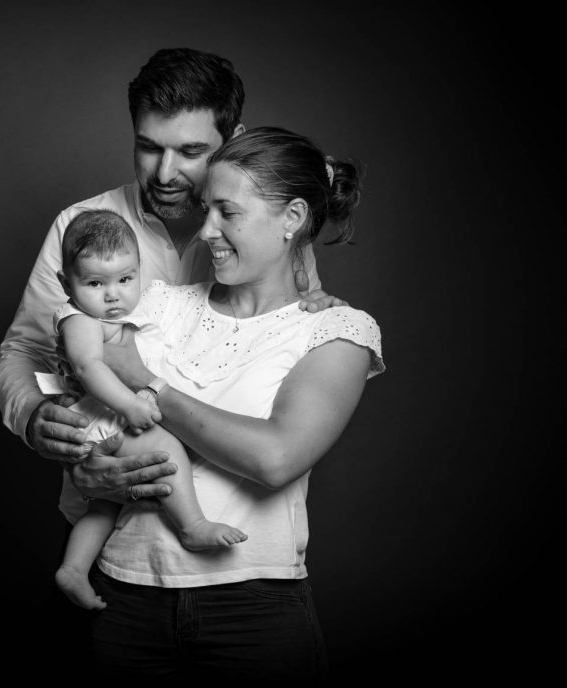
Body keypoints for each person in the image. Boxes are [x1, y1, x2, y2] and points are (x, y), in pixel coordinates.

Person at [0, 48, 344, 528]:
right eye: (149, 147)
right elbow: (26, 347)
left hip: (233, 525)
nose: (164, 173)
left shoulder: (267, 238)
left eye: (190, 152)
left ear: (233, 140)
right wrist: (35, 418)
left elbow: (292, 364)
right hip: (104, 521)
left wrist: (321, 310)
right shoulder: (78, 226)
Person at [83, 126, 385, 678]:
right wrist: (90, 465)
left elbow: (276, 458)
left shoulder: (337, 331)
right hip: (122, 596)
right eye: (205, 210)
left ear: (292, 219)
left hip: (253, 609)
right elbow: (98, 416)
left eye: (227, 212)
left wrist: (150, 384)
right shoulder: (159, 304)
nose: (206, 231)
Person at [49, 209, 246, 611]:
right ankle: (192, 526)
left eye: (126, 279)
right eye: (94, 283)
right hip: (106, 415)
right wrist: (130, 404)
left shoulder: (123, 313)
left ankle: (73, 567)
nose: (112, 295)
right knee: (165, 449)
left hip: (103, 422)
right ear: (64, 283)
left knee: (104, 508)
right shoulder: (80, 319)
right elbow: (89, 366)